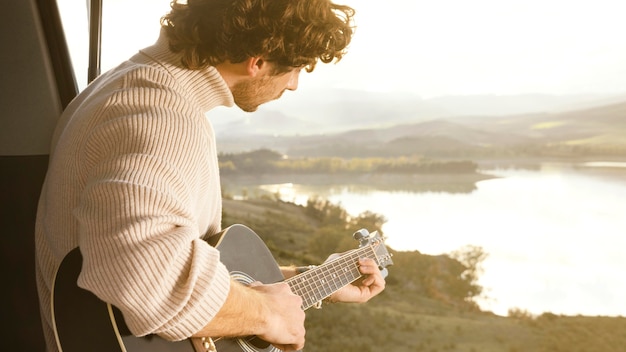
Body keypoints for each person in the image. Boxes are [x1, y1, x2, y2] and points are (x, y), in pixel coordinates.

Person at [35, 0, 386, 351]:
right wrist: (268, 314)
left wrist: (311, 280)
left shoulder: (124, 85)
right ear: (258, 59)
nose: (293, 85)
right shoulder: (163, 117)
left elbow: (170, 258)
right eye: (296, 68)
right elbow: (146, 276)